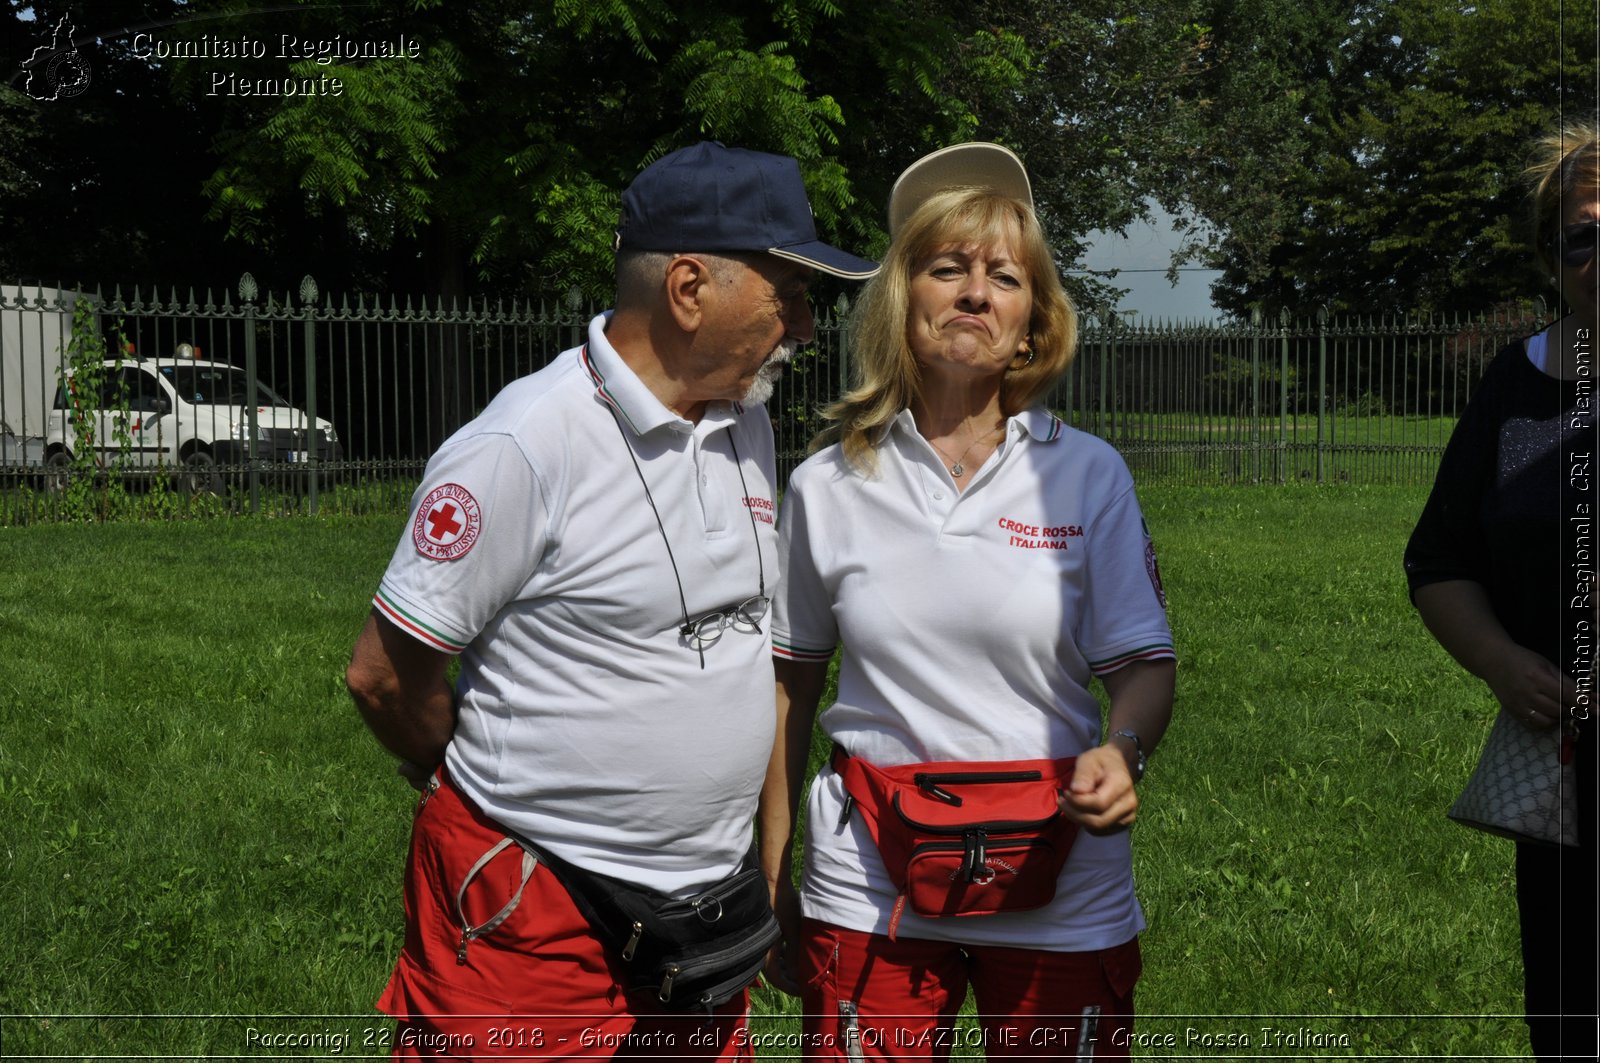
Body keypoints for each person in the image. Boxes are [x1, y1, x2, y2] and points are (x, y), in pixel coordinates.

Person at [345, 141, 876, 1058]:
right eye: (788, 294)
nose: (805, 325)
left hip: (704, 913)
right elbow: (385, 674)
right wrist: (469, 781)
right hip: (535, 910)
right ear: (687, 288)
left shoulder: (743, 420)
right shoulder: (524, 443)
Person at [758, 142, 1176, 1059]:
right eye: (947, 269)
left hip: (1064, 877)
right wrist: (772, 871)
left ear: (1033, 324)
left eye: (1004, 277)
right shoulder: (828, 484)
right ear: (903, 304)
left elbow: (1145, 663)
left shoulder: (1088, 475)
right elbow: (790, 687)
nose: (976, 294)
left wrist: (1124, 747)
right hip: (868, 878)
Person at [1405, 125, 1600, 1062]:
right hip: (1563, 770)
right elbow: (1439, 561)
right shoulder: (1514, 386)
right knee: (1568, 1015)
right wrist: (1500, 661)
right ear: (1551, 255)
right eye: (1583, 234)